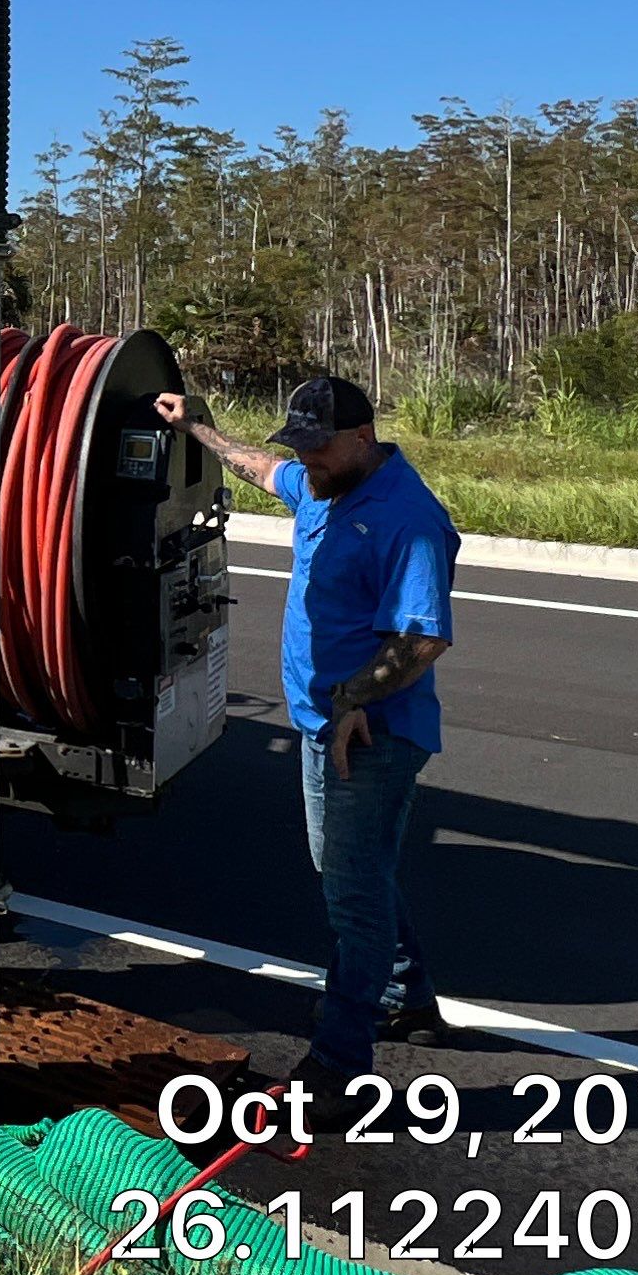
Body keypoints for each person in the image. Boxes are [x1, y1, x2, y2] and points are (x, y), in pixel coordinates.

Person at [157, 374, 456, 1094]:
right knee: (353, 871)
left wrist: (355, 697)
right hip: (325, 728)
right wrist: (197, 425)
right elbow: (261, 470)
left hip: (373, 737)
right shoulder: (325, 487)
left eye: (319, 451)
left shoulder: (407, 518)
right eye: (302, 449)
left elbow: (421, 641)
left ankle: (339, 1065)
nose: (307, 463)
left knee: (352, 895)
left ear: (362, 438)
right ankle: (404, 997)